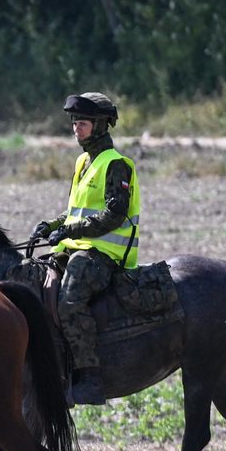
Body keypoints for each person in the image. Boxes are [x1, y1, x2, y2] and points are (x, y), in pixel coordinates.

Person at [30, 91, 140, 406]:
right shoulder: (83, 161)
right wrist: (51, 225)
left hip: (105, 254)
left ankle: (90, 378)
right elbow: (77, 210)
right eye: (75, 122)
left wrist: (69, 230)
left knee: (70, 300)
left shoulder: (117, 164)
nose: (77, 128)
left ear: (102, 125)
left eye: (84, 123)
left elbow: (113, 214)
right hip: (77, 247)